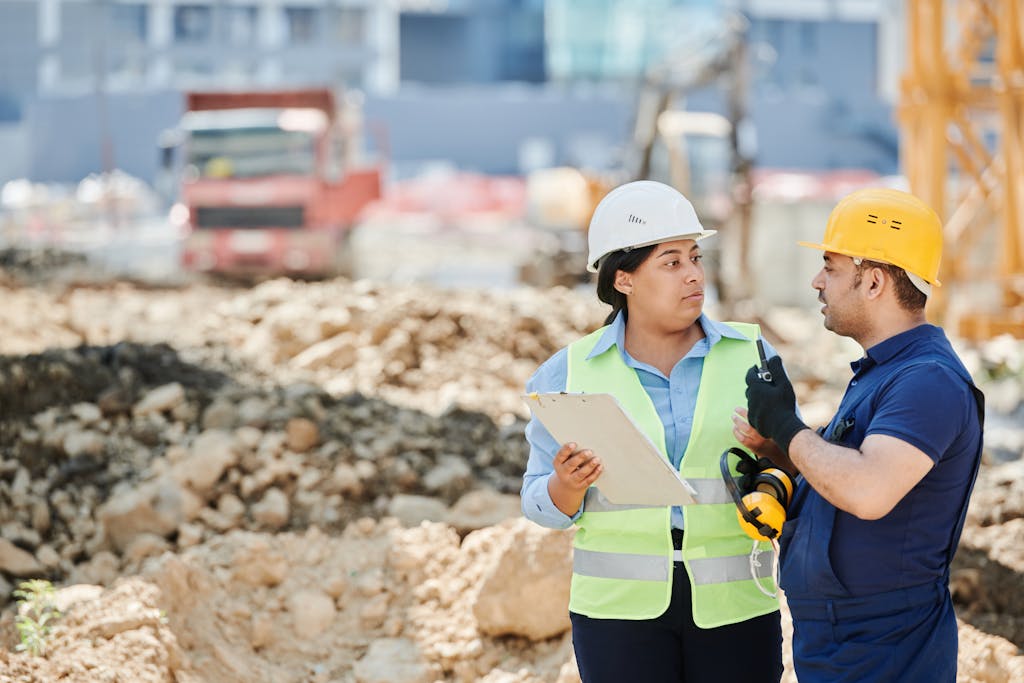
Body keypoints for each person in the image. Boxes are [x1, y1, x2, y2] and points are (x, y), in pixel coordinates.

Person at [521, 180, 784, 683]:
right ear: (624, 279)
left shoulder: (754, 356)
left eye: (695, 257)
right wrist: (566, 486)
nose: (693, 276)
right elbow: (536, 502)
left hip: (737, 606)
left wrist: (774, 451)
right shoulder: (567, 373)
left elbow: (799, 464)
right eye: (671, 262)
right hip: (618, 618)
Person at [738, 187, 985, 682]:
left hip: (888, 650)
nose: (816, 282)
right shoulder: (884, 374)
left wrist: (788, 427)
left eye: (830, 267)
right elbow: (847, 480)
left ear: (873, 282)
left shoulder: (927, 381)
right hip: (843, 644)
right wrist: (782, 456)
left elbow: (869, 490)